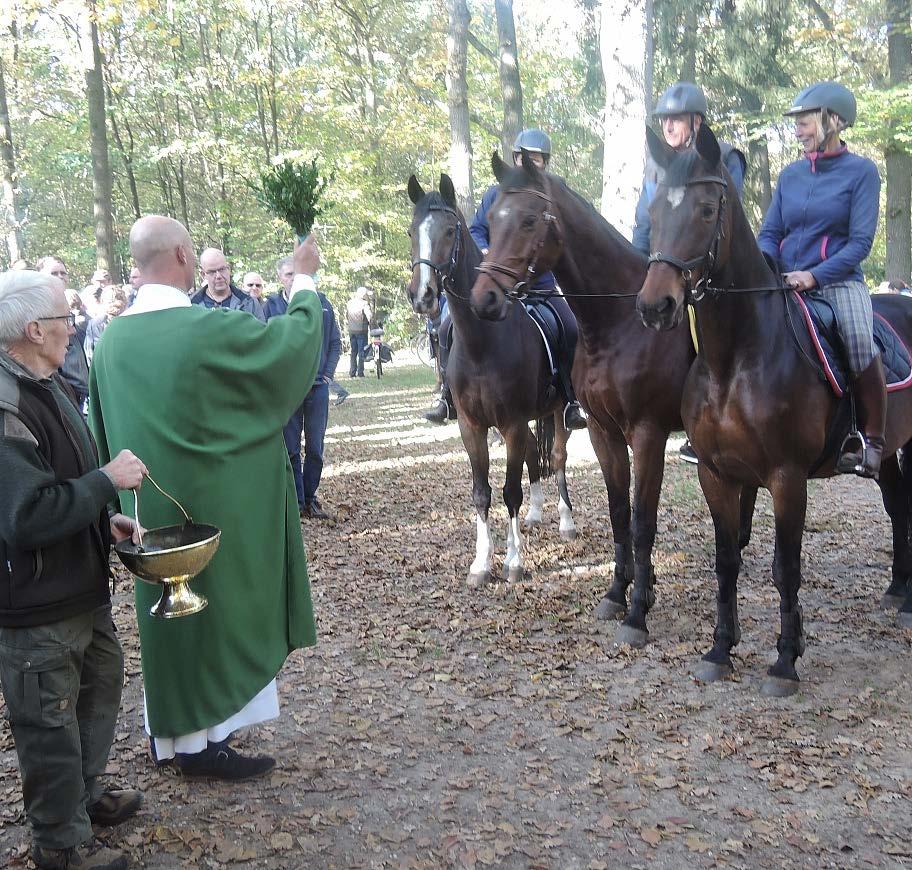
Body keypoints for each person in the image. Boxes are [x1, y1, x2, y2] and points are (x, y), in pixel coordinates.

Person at [88, 216, 325, 779]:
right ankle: (199, 744)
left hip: (145, 519)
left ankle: (168, 735)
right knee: (213, 617)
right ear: (179, 257)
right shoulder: (203, 329)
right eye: (192, 254)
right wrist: (307, 283)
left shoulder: (111, 341)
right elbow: (288, 353)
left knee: (165, 623)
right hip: (207, 514)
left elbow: (101, 429)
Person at [0, 269, 147, 870]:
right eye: (65, 318)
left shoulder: (47, 383)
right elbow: (26, 515)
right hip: (35, 608)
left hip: (80, 589)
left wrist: (101, 517)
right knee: (49, 728)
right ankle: (59, 844)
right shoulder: (6, 404)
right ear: (35, 329)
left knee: (97, 694)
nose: (73, 327)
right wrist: (105, 482)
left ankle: (83, 799)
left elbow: (59, 484)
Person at [758, 81, 883, 478]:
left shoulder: (862, 172)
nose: (798, 129)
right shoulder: (790, 175)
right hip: (784, 280)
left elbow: (860, 243)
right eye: (796, 122)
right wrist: (769, 267)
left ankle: (872, 440)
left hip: (838, 281)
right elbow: (770, 232)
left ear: (835, 121)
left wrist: (813, 276)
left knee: (859, 341)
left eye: (805, 121)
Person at [425, 129, 587, 431]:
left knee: (568, 326)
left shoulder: (550, 197)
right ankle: (446, 394)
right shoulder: (493, 195)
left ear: (544, 164)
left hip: (540, 287)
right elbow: (475, 229)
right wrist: (486, 251)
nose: (529, 164)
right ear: (514, 160)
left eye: (536, 160)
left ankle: (570, 398)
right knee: (447, 326)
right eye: (523, 158)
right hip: (497, 286)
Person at [632, 81, 747, 465]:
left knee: (701, 321)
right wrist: (641, 268)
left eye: (676, 119)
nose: (668, 126)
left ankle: (709, 411)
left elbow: (723, 219)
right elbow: (644, 225)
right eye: (664, 119)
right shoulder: (656, 165)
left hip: (709, 269)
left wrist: (687, 271)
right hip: (666, 263)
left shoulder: (724, 157)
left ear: (697, 122)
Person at [265, 255, 342, 519]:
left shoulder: (322, 304)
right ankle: (296, 502)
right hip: (287, 389)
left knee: (316, 448)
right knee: (291, 448)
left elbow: (334, 342)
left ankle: (310, 497)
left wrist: (328, 375)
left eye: (297, 274)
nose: (293, 279)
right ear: (279, 277)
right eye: (288, 274)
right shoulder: (271, 307)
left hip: (318, 388)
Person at [38, 256, 89, 411]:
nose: (60, 277)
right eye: (54, 273)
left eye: (63, 273)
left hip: (79, 394)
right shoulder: (39, 309)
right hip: (58, 395)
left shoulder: (68, 308)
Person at [191, 248, 265, 321]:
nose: (218, 276)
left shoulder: (249, 303)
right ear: (203, 275)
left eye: (222, 269)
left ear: (228, 269)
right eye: (212, 272)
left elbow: (262, 331)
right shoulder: (192, 305)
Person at [84, 285, 128, 366]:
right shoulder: (132, 320)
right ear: (125, 302)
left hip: (104, 372)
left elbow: (90, 355)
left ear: (102, 302)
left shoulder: (94, 324)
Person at [346, 286, 372, 377]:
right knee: (362, 351)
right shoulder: (364, 304)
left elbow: (347, 315)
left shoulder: (350, 303)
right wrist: (373, 326)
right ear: (364, 295)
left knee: (353, 352)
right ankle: (360, 372)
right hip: (361, 331)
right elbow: (369, 317)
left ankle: (352, 372)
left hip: (351, 330)